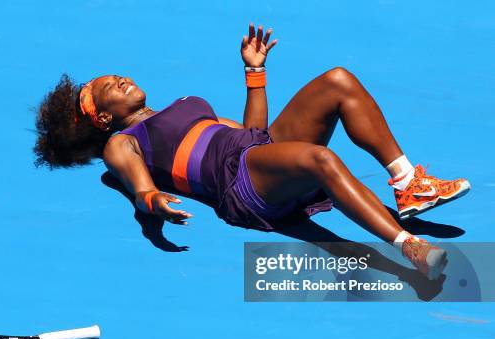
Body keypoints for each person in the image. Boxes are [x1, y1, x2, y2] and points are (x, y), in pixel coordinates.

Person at [34, 24, 470, 279]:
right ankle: (408, 245)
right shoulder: (121, 142)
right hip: (239, 184)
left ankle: (408, 183)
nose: (120, 79)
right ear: (104, 118)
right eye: (109, 87)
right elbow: (139, 186)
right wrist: (154, 204)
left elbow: (252, 132)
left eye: (117, 75)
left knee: (339, 80)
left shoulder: (185, 105)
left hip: (255, 153)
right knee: (321, 160)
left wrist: (254, 72)